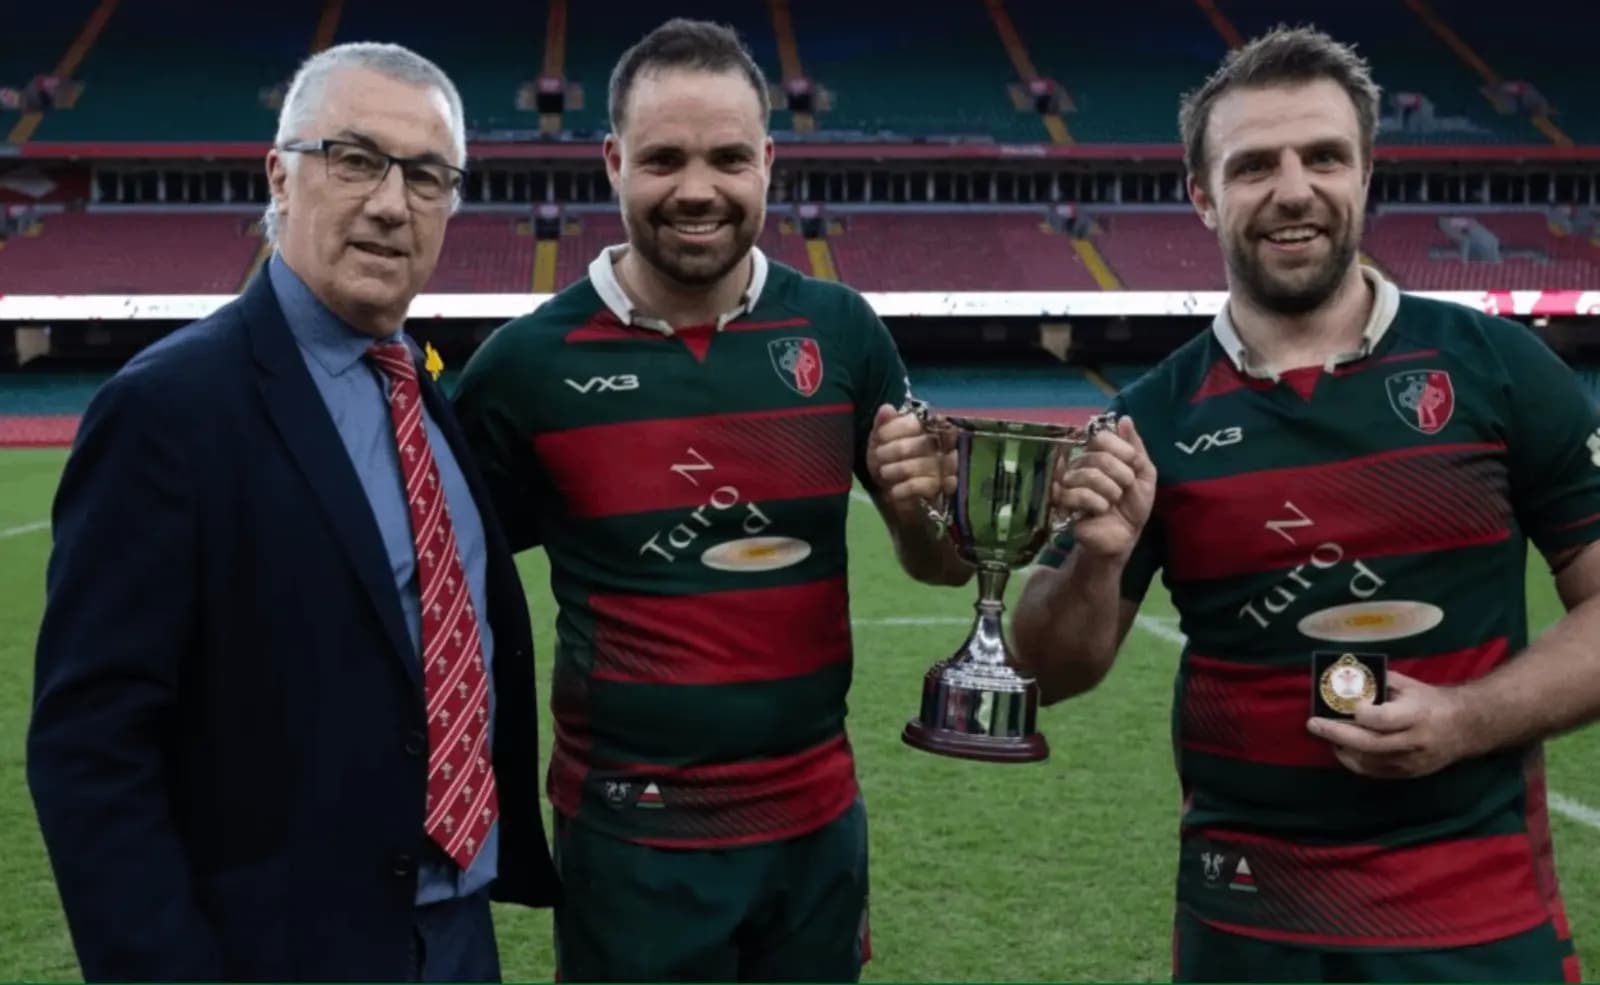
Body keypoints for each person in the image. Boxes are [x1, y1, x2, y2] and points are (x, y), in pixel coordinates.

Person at [1011, 25, 1600, 984]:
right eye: (1253, 167)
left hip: (1475, 917)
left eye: (1323, 156)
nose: (1293, 190)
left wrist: (1466, 717)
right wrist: (1098, 557)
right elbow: (1049, 670)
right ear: (1203, 196)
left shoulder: (1497, 367)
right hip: (1247, 919)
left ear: (1366, 173)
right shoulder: (1148, 415)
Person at [27, 42, 558, 982]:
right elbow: (90, 752)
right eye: (354, 160)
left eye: (427, 176)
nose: (392, 203)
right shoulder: (167, 410)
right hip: (276, 949)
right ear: (279, 174)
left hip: (457, 939)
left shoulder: (426, 394)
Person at [452, 17, 965, 983]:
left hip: (815, 825)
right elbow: (443, 568)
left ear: (768, 161)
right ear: (612, 162)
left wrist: (915, 507)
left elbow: (941, 561)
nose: (698, 190)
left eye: (729, 157)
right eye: (663, 159)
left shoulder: (841, 330)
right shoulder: (525, 366)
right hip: (630, 838)